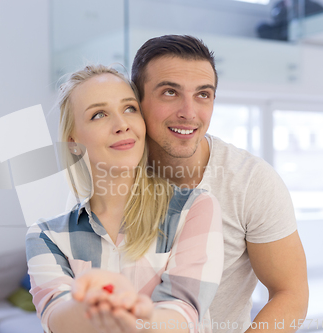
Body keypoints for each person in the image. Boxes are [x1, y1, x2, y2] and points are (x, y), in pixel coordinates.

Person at [25, 64, 224, 333]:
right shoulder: (45, 236)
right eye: (99, 115)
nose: (122, 125)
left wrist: (132, 316)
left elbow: (183, 314)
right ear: (73, 143)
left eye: (129, 108)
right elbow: (56, 317)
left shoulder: (194, 209)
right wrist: (92, 304)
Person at [130, 35, 308, 332]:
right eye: (170, 92)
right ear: (137, 100)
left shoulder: (251, 182)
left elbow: (291, 292)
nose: (189, 112)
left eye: (203, 94)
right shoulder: (110, 173)